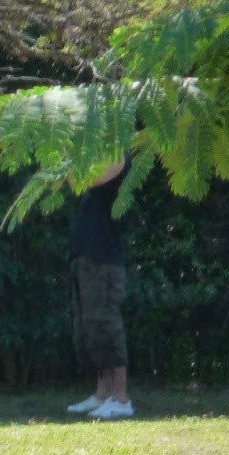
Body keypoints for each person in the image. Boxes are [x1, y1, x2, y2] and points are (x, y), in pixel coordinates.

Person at [66, 158, 133, 420]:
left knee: (108, 326)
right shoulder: (97, 155)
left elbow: (79, 180)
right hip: (86, 256)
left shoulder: (119, 157)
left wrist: (64, 155)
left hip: (104, 259)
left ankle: (121, 398)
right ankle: (102, 394)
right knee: (90, 328)